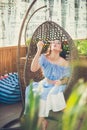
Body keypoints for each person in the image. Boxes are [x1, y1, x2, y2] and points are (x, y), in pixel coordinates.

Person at [24, 40, 71, 130]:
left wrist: (61, 82)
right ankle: (43, 121)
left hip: (57, 85)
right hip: (44, 83)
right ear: (50, 46)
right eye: (53, 42)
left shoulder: (64, 62)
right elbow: (33, 69)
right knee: (32, 90)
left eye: (58, 43)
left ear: (61, 49)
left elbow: (67, 79)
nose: (55, 43)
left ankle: (40, 124)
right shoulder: (44, 57)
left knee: (44, 94)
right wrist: (39, 50)